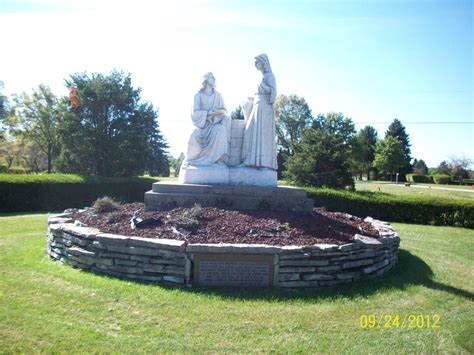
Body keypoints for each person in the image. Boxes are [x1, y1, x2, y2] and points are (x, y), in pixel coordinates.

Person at [183, 72, 231, 166]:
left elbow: (225, 111)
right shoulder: (198, 96)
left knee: (220, 130)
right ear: (206, 80)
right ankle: (191, 160)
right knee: (194, 134)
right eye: (212, 77)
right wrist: (207, 113)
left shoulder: (218, 95)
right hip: (202, 125)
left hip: (214, 124)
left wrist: (219, 113)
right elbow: (194, 113)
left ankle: (217, 160)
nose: (214, 79)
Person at [241, 54, 277, 170]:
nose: (255, 65)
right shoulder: (261, 76)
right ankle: (249, 161)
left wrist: (263, 86)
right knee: (249, 131)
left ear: (263, 63)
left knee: (262, 136)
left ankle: (263, 164)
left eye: (256, 62)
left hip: (264, 107)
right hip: (257, 105)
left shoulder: (269, 76)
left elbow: (273, 94)